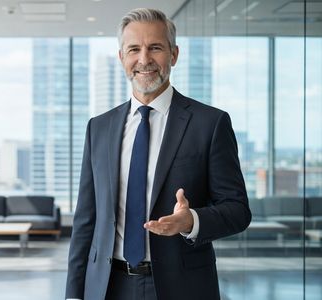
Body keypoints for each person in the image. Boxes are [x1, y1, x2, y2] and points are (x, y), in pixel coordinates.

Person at [65, 8, 251, 300]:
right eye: (134, 49)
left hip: (182, 287)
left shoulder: (210, 124)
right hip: (107, 287)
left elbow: (238, 210)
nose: (144, 59)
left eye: (155, 48)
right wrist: (74, 293)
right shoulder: (98, 128)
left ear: (174, 54)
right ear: (121, 58)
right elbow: (85, 220)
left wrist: (191, 221)